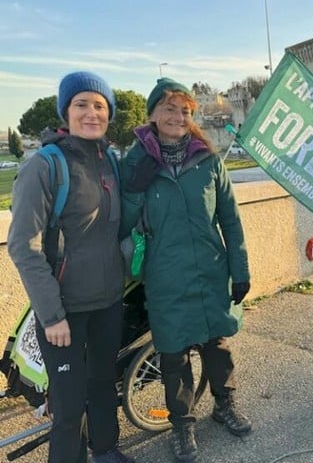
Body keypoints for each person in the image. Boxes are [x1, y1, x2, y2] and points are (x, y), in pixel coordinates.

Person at [119, 78, 251, 462]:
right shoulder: (135, 161)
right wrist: (133, 189)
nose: (179, 117)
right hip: (165, 274)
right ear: (153, 114)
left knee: (217, 345)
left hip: (211, 269)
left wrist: (239, 269)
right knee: (173, 355)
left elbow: (230, 217)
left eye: (186, 111)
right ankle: (183, 425)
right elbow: (124, 222)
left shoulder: (207, 159)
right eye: (171, 108)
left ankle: (224, 405)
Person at [8, 71, 134, 463]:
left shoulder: (112, 162)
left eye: (100, 105)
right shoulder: (44, 167)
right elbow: (23, 247)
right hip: (63, 313)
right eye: (82, 104)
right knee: (68, 406)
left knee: (101, 386)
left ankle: (107, 449)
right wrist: (52, 315)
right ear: (66, 110)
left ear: (109, 114)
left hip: (109, 301)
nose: (91, 113)